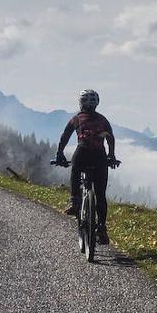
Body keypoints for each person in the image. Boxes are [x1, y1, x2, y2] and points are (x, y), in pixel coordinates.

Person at [55, 89, 120, 243]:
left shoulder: (77, 118)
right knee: (100, 195)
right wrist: (111, 155)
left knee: (75, 170)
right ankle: (102, 228)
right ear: (97, 103)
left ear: (80, 102)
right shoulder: (103, 120)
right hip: (99, 157)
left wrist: (60, 154)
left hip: (82, 153)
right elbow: (110, 138)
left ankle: (75, 201)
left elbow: (65, 136)